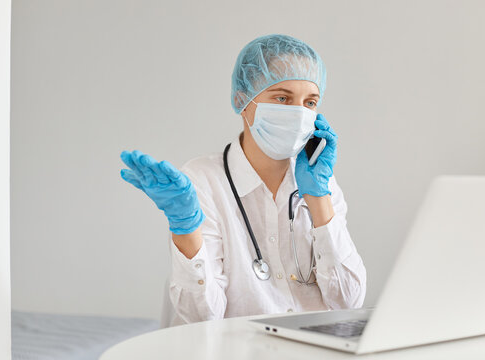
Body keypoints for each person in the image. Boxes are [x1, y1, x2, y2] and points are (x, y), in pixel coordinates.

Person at [120, 34, 366, 326]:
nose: (299, 113)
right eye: (282, 98)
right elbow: (203, 318)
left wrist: (318, 199)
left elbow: (349, 302)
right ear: (242, 100)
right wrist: (185, 230)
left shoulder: (319, 182)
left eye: (310, 102)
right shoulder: (203, 180)